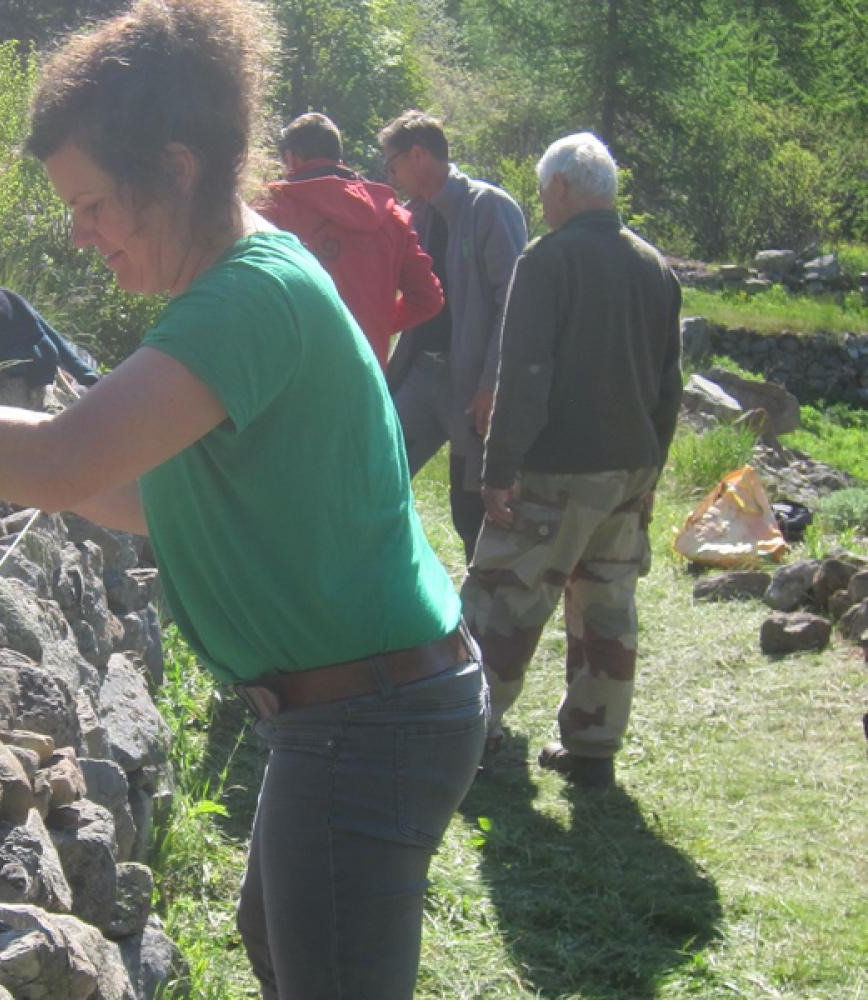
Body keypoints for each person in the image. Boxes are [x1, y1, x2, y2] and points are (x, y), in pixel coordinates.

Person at [0, 2, 487, 995]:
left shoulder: (248, 295)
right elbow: (140, 493)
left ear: (175, 169)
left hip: (369, 720)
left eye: (93, 205)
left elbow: (68, 458)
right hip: (360, 707)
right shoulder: (247, 282)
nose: (81, 237)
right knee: (284, 936)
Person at [462, 133, 682, 789]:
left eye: (542, 192)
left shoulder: (548, 261)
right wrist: (653, 475)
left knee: (502, 600)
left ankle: (466, 737)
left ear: (561, 188)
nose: (542, 203)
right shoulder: (655, 268)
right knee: (606, 606)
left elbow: (525, 377)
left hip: (556, 468)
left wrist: (498, 471)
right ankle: (593, 745)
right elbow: (670, 386)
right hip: (630, 467)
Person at [378, 110, 527, 563]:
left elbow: (515, 304)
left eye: (393, 164)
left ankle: (484, 615)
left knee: (471, 512)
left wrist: (492, 383)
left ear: (418, 155)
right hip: (421, 375)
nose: (392, 175)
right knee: (376, 471)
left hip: (472, 390)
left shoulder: (489, 208)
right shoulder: (414, 217)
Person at [256, 112, 443, 367]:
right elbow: (427, 298)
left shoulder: (272, 209)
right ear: (338, 157)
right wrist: (376, 323)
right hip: (366, 382)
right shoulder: (392, 215)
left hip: (292, 381)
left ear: (292, 158)